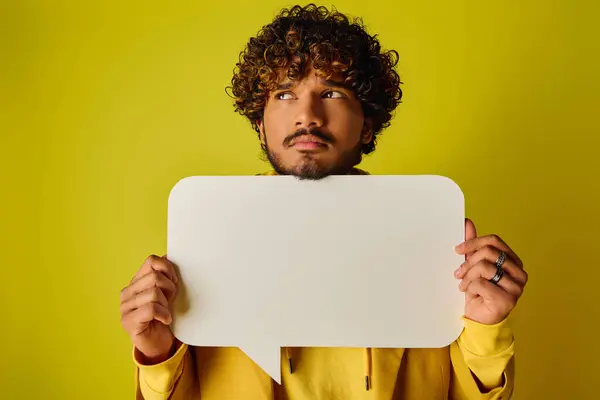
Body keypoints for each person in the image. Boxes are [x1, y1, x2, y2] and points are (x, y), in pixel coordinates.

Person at [119, 4, 528, 399]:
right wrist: (157, 353)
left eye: (331, 92)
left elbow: (470, 392)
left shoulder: (429, 230)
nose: (308, 116)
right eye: (283, 95)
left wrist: (485, 326)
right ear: (260, 126)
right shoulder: (207, 229)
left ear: (367, 125)